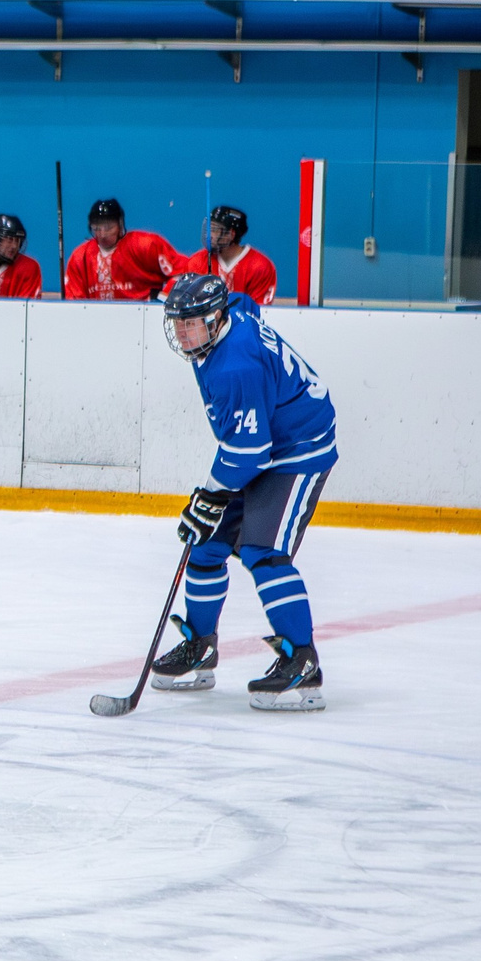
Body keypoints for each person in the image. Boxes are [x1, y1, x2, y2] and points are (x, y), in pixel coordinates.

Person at [147, 274, 339, 710]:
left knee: (262, 552)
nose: (182, 332)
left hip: (298, 448)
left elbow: (249, 452)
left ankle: (302, 663)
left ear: (216, 319)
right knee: (206, 545)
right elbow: (244, 298)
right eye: (178, 322)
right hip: (264, 442)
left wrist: (209, 494)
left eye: (191, 323)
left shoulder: (235, 365)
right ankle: (201, 647)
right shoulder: (230, 313)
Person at [62, 197, 178, 300]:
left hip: (143, 317)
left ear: (120, 224)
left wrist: (163, 298)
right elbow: (74, 301)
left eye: (108, 228)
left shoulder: (146, 245)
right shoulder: (80, 257)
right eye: (97, 228)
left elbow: (181, 272)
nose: (102, 234)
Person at [173, 204, 278, 304]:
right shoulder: (197, 262)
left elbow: (259, 311)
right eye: (209, 229)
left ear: (231, 234)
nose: (209, 235)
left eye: (215, 230)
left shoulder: (260, 267)